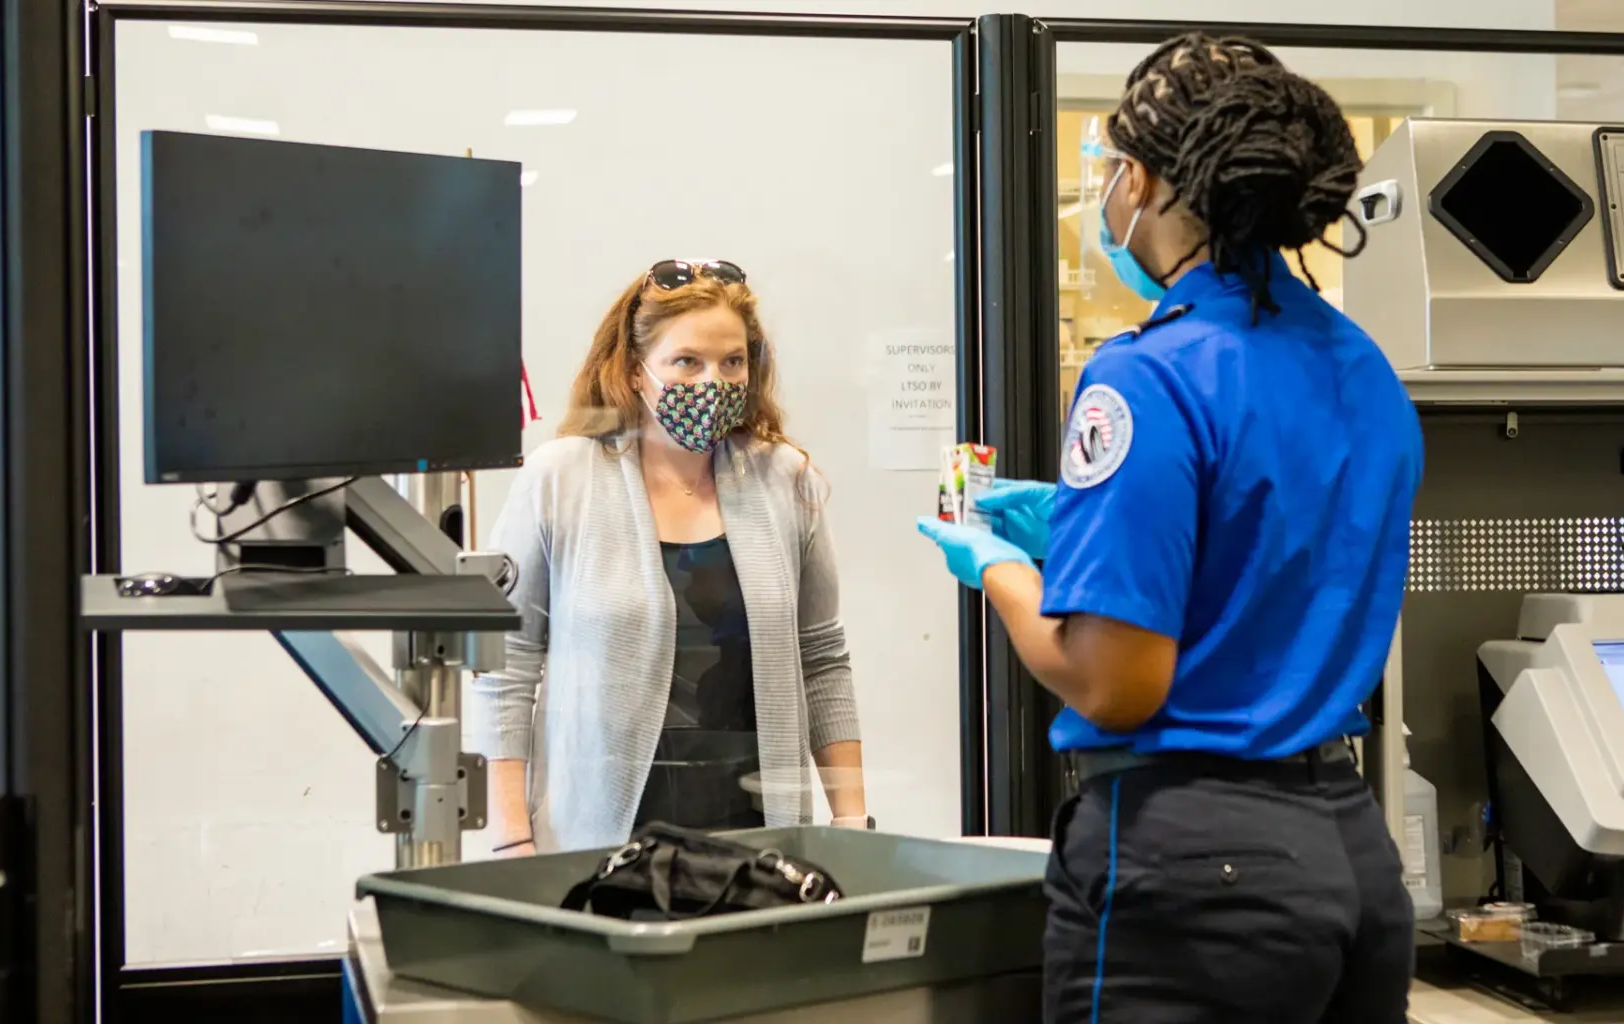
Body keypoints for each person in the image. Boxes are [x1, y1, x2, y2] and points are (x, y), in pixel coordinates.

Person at [917, 34, 1423, 1024]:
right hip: (1352, 851)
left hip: (1200, 867)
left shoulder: (1145, 375)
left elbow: (1117, 682)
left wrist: (1004, 570)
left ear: (1141, 181)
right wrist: (1088, 527)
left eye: (1112, 166)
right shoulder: (1361, 363)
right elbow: (1268, 556)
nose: (1108, 189)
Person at [468, 260, 869, 857]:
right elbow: (505, 665)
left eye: (732, 362)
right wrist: (510, 838)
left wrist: (851, 821)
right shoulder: (560, 478)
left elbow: (822, 659)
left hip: (758, 830)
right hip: (600, 835)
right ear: (634, 372)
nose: (714, 381)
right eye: (687, 362)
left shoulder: (785, 480)